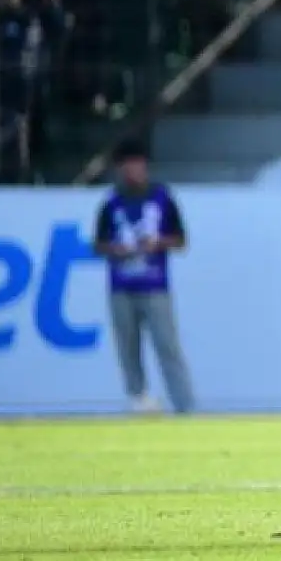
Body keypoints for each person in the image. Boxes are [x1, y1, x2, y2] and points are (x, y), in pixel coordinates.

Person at [90, 139, 194, 414]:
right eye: (127, 165)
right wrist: (116, 249)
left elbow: (181, 240)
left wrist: (157, 243)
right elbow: (98, 243)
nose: (132, 170)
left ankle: (185, 404)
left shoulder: (161, 197)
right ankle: (139, 399)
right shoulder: (111, 203)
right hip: (121, 286)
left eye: (136, 164)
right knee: (128, 347)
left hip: (155, 285)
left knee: (167, 345)